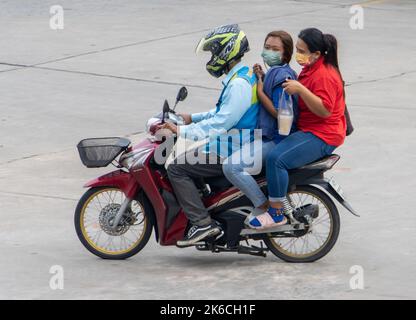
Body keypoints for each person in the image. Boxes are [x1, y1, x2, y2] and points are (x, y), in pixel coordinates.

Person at [161, 24, 259, 246]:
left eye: (215, 51)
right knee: (189, 161)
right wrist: (191, 118)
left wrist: (182, 131)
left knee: (176, 168)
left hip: (231, 148)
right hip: (231, 143)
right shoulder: (242, 76)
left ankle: (202, 223)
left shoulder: (239, 85)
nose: (213, 57)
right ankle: (207, 208)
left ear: (227, 51)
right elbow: (222, 113)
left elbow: (221, 122)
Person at [249, 27, 347, 229]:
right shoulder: (312, 68)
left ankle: (276, 213)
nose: (298, 55)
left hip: (322, 135)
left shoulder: (324, 75)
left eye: (302, 50)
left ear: (317, 54)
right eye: (298, 49)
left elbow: (325, 111)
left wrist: (300, 89)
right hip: (309, 129)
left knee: (276, 159)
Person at [222, 30, 297, 224]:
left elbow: (281, 115)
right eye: (267, 47)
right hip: (265, 136)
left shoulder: (284, 76)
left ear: (285, 54)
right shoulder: (275, 72)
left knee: (232, 167)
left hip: (276, 139)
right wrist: (262, 77)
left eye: (275, 49)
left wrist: (260, 90)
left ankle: (266, 208)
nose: (268, 52)